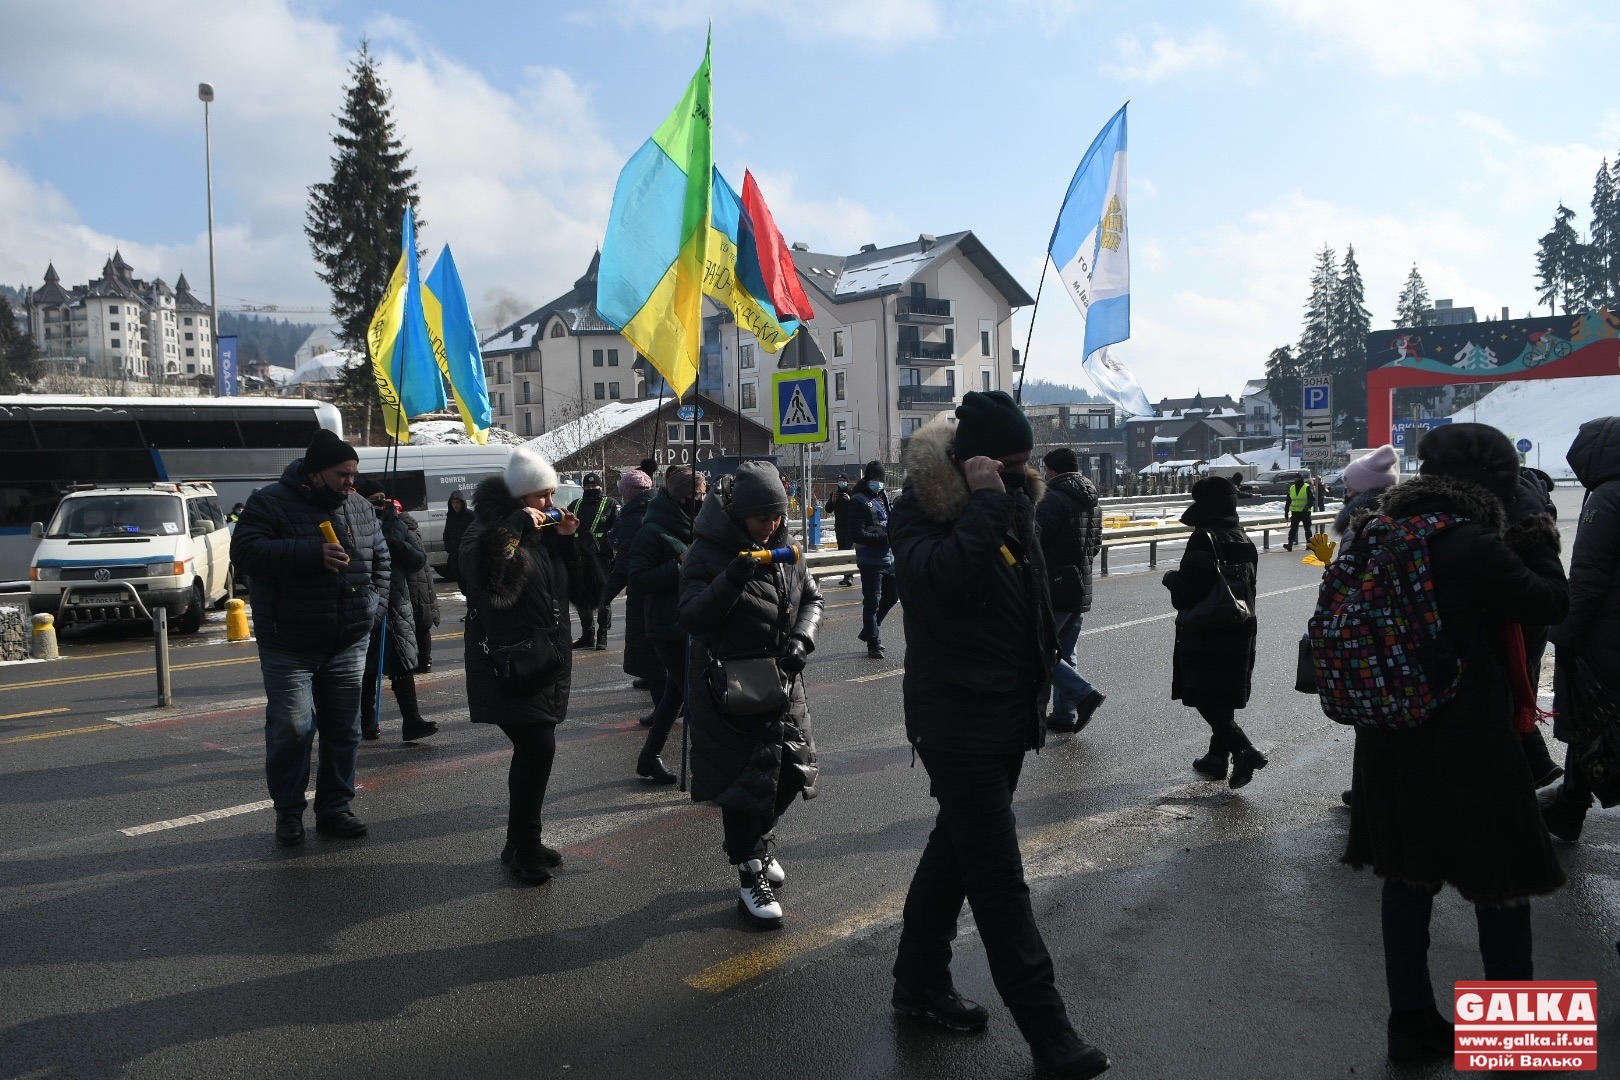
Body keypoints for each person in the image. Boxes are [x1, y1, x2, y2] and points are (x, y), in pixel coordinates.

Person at [889, 391, 1110, 1079]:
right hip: (957, 722)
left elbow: (1034, 603)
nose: (1019, 478)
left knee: (953, 854)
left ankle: (918, 984)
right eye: (1004, 467)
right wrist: (987, 502)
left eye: (1023, 467)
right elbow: (942, 582)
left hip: (1008, 713)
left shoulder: (1012, 503)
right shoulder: (920, 510)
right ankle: (1051, 1036)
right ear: (967, 462)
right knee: (997, 879)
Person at [1341, 423, 1568, 1063]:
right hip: (1470, 738)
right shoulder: (1471, 544)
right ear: (1494, 482)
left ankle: (1410, 1025)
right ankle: (1515, 1041)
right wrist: (1537, 536)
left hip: (1388, 736)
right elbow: (1552, 602)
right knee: (1501, 882)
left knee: (1407, 880)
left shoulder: (1375, 531)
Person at [681, 462, 823, 928]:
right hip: (732, 686)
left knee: (792, 769)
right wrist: (732, 578)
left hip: (784, 679)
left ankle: (759, 843)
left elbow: (812, 598)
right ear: (741, 515)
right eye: (764, 518)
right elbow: (693, 618)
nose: (773, 525)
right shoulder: (705, 554)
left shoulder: (785, 547)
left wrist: (803, 638)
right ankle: (749, 874)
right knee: (744, 780)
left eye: (778, 516)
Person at [230, 428, 387, 846]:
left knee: (345, 730)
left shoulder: (358, 507)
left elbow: (381, 561)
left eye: (354, 473)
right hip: (289, 643)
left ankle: (335, 807)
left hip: (348, 641)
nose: (351, 482)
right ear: (315, 473)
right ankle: (288, 812)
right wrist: (309, 553)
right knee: (293, 728)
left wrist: (375, 607)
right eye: (342, 474)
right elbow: (244, 554)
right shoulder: (269, 503)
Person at [460, 447, 602, 883]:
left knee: (534, 749)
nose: (552, 503)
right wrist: (516, 528)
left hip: (546, 660)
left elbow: (589, 594)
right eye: (543, 496)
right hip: (510, 662)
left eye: (552, 494)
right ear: (522, 498)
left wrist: (573, 543)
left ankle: (519, 841)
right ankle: (525, 848)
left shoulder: (545, 534)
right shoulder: (484, 531)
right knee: (537, 747)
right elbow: (489, 582)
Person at [1543, 416, 1620, 841]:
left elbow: (1588, 578)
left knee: (1590, 721)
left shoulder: (1606, 498)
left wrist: (1564, 635)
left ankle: (1571, 806)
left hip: (1605, 636)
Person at [1164, 476, 1266, 788]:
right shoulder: (1239, 533)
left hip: (1210, 629)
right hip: (1242, 623)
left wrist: (1171, 578)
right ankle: (1216, 758)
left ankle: (1243, 749)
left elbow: (1189, 590)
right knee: (1223, 692)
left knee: (1205, 694)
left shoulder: (1204, 536)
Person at [1331, 444, 1401, 807]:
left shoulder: (1363, 521)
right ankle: (1368, 787)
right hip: (1383, 624)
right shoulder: (1393, 514)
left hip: (1361, 625)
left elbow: (1347, 577)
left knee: (1370, 713)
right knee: (1379, 711)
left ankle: (1369, 790)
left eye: (1350, 484)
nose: (1346, 489)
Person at [626, 466, 704, 784]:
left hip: (691, 620)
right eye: (696, 494)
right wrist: (678, 565)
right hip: (667, 627)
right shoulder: (652, 530)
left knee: (675, 694)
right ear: (681, 496)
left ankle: (649, 757)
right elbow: (638, 580)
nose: (701, 499)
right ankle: (708, 765)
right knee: (697, 694)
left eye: (703, 493)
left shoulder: (694, 524)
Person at [357, 481, 437, 743]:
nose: (381, 502)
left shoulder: (397, 522)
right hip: (369, 600)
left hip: (398, 600)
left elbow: (418, 560)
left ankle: (411, 720)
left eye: (383, 497)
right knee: (369, 667)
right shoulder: (357, 520)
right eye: (374, 498)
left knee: (402, 660)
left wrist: (400, 546)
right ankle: (367, 721)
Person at [1036, 448, 1105, 734]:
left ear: (1052, 470)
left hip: (1055, 585)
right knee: (1065, 650)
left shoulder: (1053, 499)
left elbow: (1035, 540)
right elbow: (1095, 545)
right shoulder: (1092, 500)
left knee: (1036, 649)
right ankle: (1065, 715)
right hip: (1081, 585)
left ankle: (1084, 694)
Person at [602, 468, 665, 712]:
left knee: (649, 641)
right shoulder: (652, 508)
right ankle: (651, 679)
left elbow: (626, 561)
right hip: (653, 585)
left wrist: (604, 595)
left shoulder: (634, 518)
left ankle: (663, 709)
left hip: (644, 587)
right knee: (650, 641)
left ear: (628, 494)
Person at [568, 473, 619, 651]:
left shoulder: (610, 504)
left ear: (600, 486)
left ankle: (602, 635)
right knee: (582, 596)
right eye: (588, 487)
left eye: (594, 487)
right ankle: (587, 635)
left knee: (603, 597)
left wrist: (608, 547)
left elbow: (616, 531)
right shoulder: (575, 505)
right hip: (580, 558)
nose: (591, 489)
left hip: (603, 557)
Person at [851, 461, 897, 658]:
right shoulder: (858, 500)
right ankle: (873, 643)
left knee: (892, 596)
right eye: (875, 480)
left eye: (881, 480)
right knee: (872, 602)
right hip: (870, 559)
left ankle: (870, 630)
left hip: (889, 558)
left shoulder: (883, 497)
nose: (878, 483)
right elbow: (857, 534)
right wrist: (883, 539)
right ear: (867, 479)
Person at [826, 474, 858, 587]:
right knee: (841, 551)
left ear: (847, 482)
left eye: (843, 480)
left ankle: (849, 576)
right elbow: (828, 509)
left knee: (849, 550)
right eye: (839, 480)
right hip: (839, 527)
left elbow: (856, 508)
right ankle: (845, 576)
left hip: (850, 527)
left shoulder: (852, 493)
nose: (841, 482)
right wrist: (833, 501)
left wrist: (850, 500)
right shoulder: (834, 494)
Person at [441, 489, 474, 590]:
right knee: (461, 583)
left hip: (468, 556)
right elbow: (446, 534)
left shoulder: (471, 516)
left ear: (462, 502)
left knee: (471, 583)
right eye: (453, 503)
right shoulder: (451, 517)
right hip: (455, 557)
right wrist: (449, 548)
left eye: (457, 502)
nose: (455, 505)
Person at [1284, 472, 1313, 551]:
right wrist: (1286, 511)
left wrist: (1307, 506)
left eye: (1298, 479)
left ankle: (1309, 544)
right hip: (1295, 512)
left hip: (1305, 512)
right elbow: (1288, 501)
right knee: (1293, 529)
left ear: (1302, 479)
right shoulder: (1292, 488)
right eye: (1295, 479)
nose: (1297, 480)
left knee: (1307, 529)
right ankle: (1289, 545)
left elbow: (1311, 499)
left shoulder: (1306, 487)